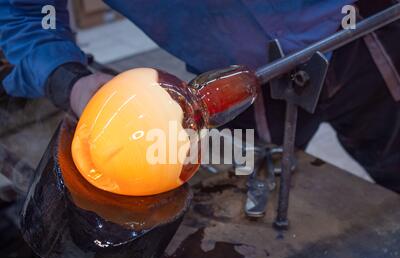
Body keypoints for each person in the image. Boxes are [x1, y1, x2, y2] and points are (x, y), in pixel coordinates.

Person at [0, 0, 399, 193]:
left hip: (364, 33)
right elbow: (22, 14)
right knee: (252, 203)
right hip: (234, 86)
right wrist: (71, 81)